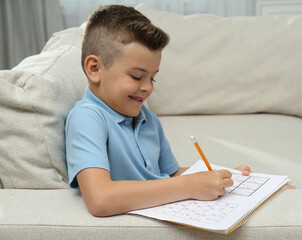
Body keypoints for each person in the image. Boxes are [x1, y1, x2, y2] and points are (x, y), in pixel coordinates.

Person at [65, 5, 251, 217]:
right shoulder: (87, 118)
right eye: (137, 76)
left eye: (152, 77)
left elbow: (171, 175)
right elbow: (100, 199)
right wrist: (189, 186)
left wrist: (225, 179)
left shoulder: (147, 118)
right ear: (94, 69)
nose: (148, 87)